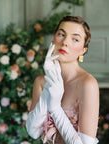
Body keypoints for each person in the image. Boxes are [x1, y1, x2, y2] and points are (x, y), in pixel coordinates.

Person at [26, 16, 99, 144]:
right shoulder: (41, 81)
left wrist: (54, 108)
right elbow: (33, 132)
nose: (65, 42)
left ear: (83, 50)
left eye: (75, 39)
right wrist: (48, 89)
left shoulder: (88, 84)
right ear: (54, 38)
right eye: (61, 34)